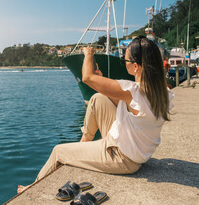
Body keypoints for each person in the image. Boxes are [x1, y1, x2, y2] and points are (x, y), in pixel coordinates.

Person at [17, 36, 173, 193]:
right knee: (98, 99)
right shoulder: (164, 93)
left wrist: (88, 54)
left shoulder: (133, 91)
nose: (124, 64)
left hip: (122, 158)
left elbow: (87, 77)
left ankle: (33, 189)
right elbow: (128, 106)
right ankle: (84, 143)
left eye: (125, 61)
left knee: (58, 151)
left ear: (136, 67)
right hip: (136, 152)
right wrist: (101, 80)